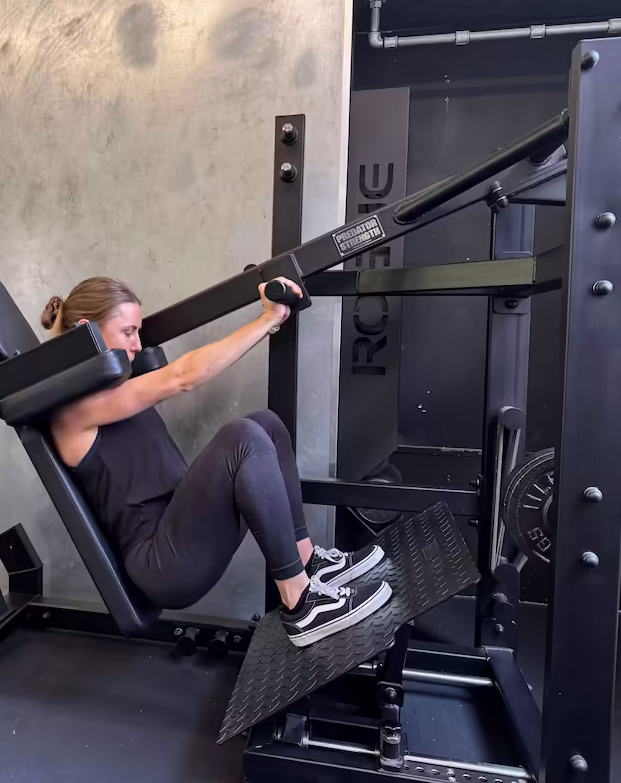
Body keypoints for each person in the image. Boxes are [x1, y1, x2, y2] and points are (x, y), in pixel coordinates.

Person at [41, 275, 391, 647]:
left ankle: (307, 562)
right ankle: (300, 605)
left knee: (266, 426)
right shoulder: (72, 411)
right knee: (241, 437)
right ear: (87, 332)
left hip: (181, 531)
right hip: (163, 563)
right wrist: (267, 319)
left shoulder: (113, 388)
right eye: (128, 332)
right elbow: (182, 377)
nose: (137, 344)